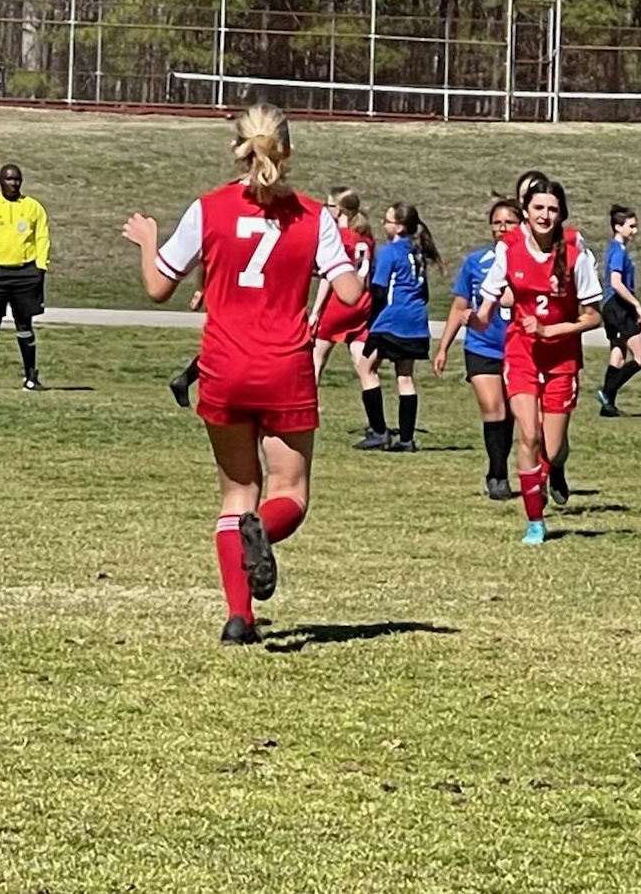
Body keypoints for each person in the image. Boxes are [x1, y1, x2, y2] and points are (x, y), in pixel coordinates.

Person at [120, 103, 363, 646]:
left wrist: (146, 243)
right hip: (285, 367)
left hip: (224, 367)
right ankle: (265, 534)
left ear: (237, 148)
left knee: (237, 494)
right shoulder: (313, 216)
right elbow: (349, 293)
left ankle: (239, 617)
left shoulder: (208, 209)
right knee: (289, 494)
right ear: (288, 152)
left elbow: (159, 288)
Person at [472, 179, 602, 545]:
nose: (545, 215)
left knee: (552, 447)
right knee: (527, 434)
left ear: (561, 215)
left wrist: (550, 330)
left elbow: (593, 316)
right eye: (538, 208)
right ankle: (535, 521)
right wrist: (479, 316)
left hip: (561, 357)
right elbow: (489, 298)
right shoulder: (508, 251)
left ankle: (547, 472)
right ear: (526, 213)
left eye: (552, 209)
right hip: (521, 352)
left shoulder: (576, 256)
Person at [433, 199, 524, 500]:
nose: (501, 228)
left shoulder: (528, 260)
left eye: (508, 222)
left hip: (517, 346)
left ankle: (510, 469)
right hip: (481, 346)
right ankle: (497, 474)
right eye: (496, 222)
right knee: (493, 409)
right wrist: (444, 346)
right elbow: (460, 306)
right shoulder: (476, 261)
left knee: (512, 414)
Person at [307, 187, 385, 448]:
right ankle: (379, 428)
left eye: (329, 205)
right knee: (364, 367)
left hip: (338, 304)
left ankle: (306, 415)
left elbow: (331, 278)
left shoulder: (337, 237)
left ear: (338, 210)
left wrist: (316, 311)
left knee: (315, 360)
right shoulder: (366, 237)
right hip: (362, 305)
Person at [366, 202, 442, 453]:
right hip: (416, 321)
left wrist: (371, 324)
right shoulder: (417, 251)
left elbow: (378, 290)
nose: (383, 225)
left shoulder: (389, 252)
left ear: (398, 227)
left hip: (392, 319)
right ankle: (407, 438)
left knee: (366, 368)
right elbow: (425, 292)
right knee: (405, 376)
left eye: (387, 221)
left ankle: (378, 431)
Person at [0, 163, 51, 391]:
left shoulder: (33, 207)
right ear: (0, 180)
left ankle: (31, 377)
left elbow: (42, 237)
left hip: (25, 272)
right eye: (8, 179)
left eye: (17, 179)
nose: (13, 183)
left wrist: (40, 267)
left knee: (25, 324)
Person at [596, 205, 641, 416]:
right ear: (618, 227)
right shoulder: (617, 251)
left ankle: (608, 407)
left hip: (611, 306)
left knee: (617, 352)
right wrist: (636, 304)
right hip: (617, 305)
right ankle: (607, 391)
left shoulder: (616, 249)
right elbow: (616, 282)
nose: (635, 231)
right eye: (631, 226)